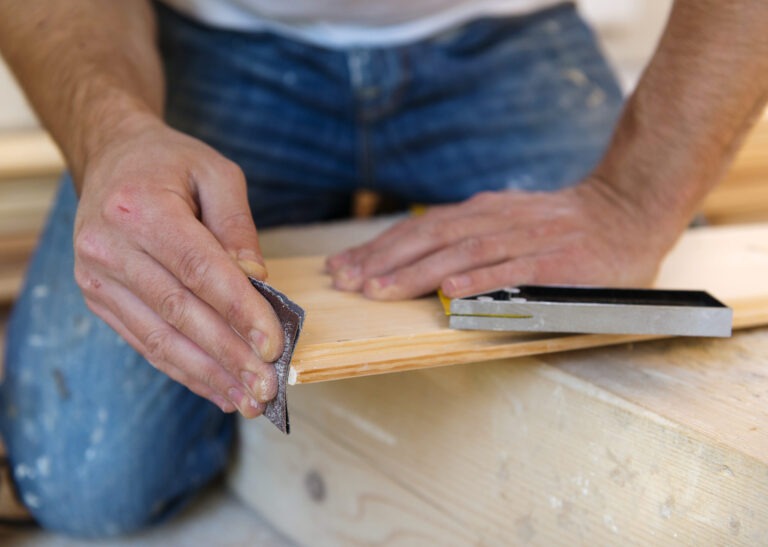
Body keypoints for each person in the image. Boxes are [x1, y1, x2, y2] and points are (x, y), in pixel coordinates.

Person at [0, 0, 765, 538]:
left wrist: (631, 196)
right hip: (207, 33)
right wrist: (113, 134)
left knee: (659, 357)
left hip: (505, 31)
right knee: (89, 478)